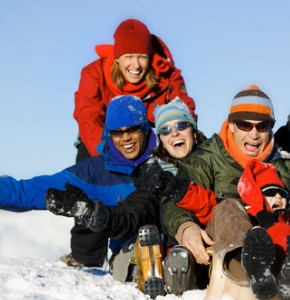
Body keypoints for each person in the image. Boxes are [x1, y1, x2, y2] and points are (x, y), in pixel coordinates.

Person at [158, 85, 290, 300]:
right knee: (229, 207)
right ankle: (253, 268)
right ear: (232, 125)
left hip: (278, 246)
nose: (253, 134)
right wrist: (184, 227)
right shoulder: (205, 160)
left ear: (271, 128)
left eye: (262, 126)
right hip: (225, 248)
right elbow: (173, 201)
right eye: (245, 125)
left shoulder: (284, 166)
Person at [0, 95, 158, 283]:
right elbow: (31, 191)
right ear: (108, 134)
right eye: (118, 132)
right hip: (129, 253)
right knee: (134, 261)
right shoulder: (94, 173)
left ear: (145, 128)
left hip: (175, 242)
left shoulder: (166, 160)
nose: (126, 138)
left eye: (132, 129)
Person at [70, 18, 197, 268]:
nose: (136, 65)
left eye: (142, 57)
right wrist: (107, 154)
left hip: (149, 142)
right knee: (92, 178)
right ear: (117, 58)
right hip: (101, 141)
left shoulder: (166, 78)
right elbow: (86, 114)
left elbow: (184, 108)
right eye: (129, 56)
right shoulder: (93, 73)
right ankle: (86, 257)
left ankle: (163, 244)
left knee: (164, 180)